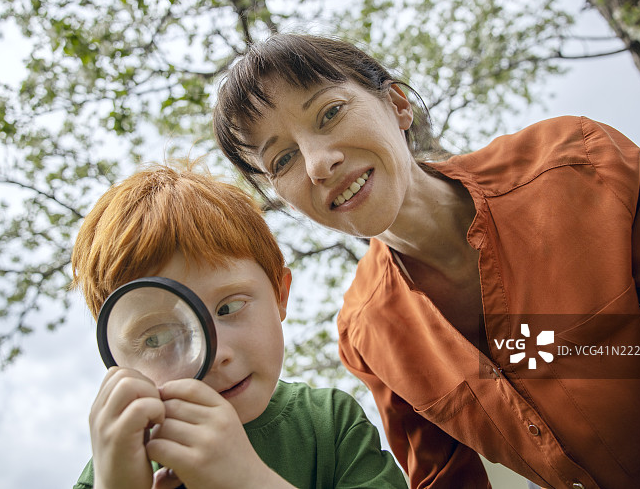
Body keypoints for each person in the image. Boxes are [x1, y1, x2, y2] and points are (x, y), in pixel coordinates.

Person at [212, 33, 640, 488]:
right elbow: (444, 479)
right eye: (283, 160)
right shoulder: (364, 333)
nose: (319, 164)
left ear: (397, 105)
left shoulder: (579, 164)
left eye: (330, 113)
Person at [70, 162, 407, 489]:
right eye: (157, 338)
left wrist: (249, 480)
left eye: (228, 308)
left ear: (280, 294)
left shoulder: (330, 423)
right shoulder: (115, 465)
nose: (216, 354)